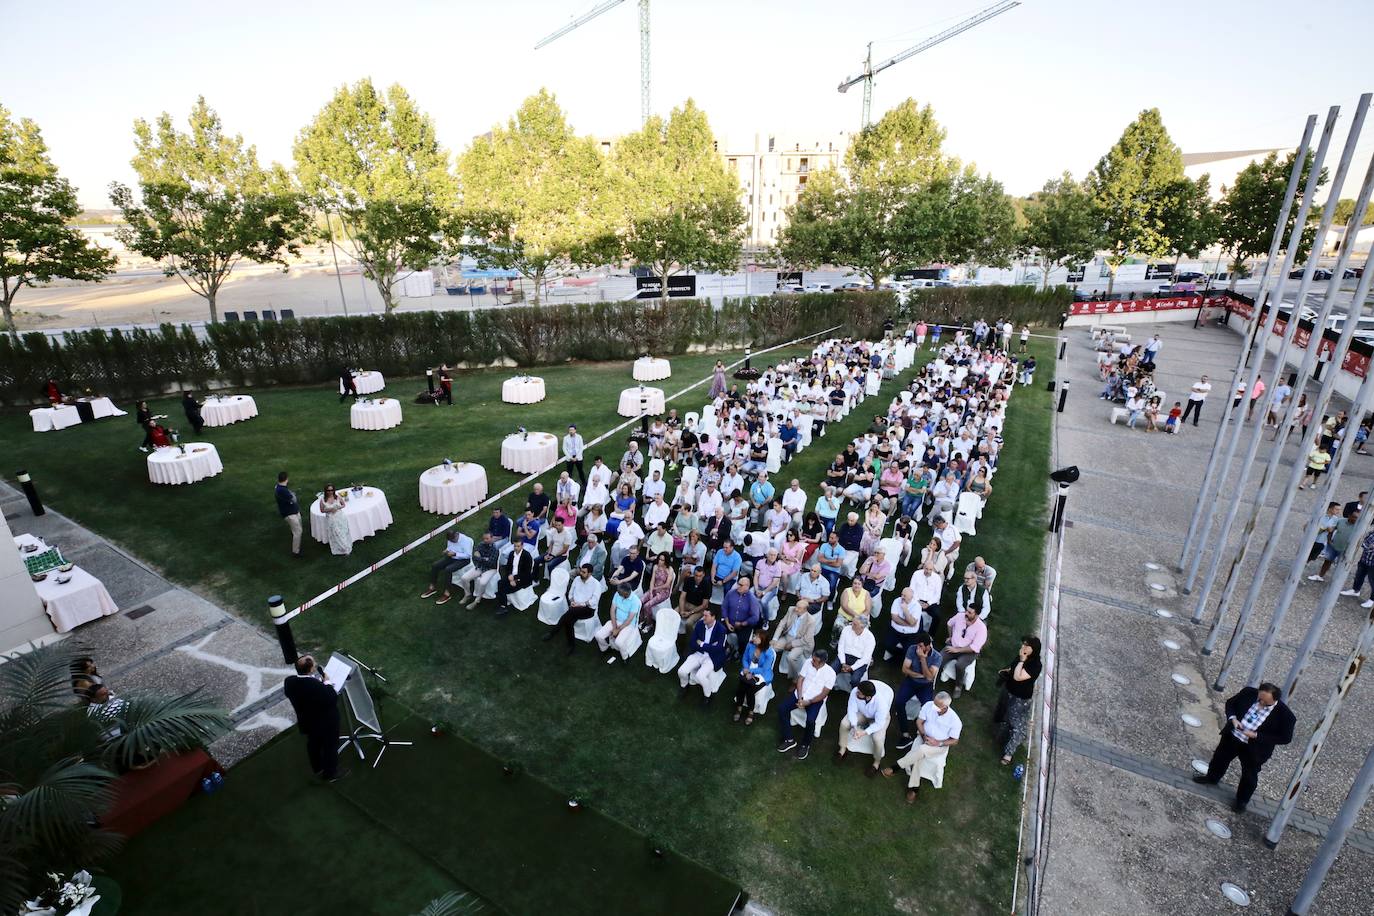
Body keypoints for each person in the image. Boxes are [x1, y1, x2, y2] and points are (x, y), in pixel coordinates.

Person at [1193, 682, 1296, 813]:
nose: (1261, 704)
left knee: (1249, 775)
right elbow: (1230, 703)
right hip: (1233, 737)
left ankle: (1242, 801)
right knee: (1220, 758)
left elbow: (1285, 738)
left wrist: (1256, 735)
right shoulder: (1248, 692)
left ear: (1275, 700)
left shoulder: (1286, 715)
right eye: (1260, 699)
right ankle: (1212, 778)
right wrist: (1233, 719)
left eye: (1266, 702)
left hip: (1254, 748)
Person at [889, 692, 962, 803]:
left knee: (921, 750)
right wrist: (924, 736)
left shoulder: (955, 721)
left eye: (937, 705)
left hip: (939, 746)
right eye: (934, 702)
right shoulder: (929, 705)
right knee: (920, 754)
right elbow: (919, 721)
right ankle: (914, 789)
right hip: (924, 737)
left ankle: (896, 767)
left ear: (945, 707)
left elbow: (955, 741)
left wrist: (938, 743)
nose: (934, 706)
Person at [283, 656, 345, 782]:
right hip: (325, 723)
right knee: (330, 747)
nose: (316, 664)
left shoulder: (289, 681)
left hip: (307, 722)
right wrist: (326, 683)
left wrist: (318, 684)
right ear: (311, 669)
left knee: (313, 745)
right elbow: (332, 698)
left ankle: (318, 768)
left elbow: (305, 693)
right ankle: (331, 773)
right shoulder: (316, 687)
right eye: (314, 663)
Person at [776, 648, 835, 760]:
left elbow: (824, 694)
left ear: (822, 662)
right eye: (812, 659)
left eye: (814, 661)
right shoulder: (808, 662)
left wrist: (809, 702)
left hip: (815, 700)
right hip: (800, 694)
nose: (811, 661)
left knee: (810, 720)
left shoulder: (830, 674)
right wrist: (799, 697)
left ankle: (805, 745)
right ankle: (789, 739)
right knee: (782, 709)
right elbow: (800, 680)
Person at [997, 636, 1042, 764]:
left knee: (1017, 726)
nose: (1023, 647)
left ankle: (1008, 754)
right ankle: (1002, 738)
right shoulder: (1021, 655)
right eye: (1023, 644)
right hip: (1009, 692)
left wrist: (1022, 660)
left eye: (1027, 646)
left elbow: (1018, 677)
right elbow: (1013, 669)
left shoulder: (1035, 665)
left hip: (1021, 699)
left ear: (1033, 649)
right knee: (1005, 717)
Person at [893, 633, 942, 749]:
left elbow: (929, 678)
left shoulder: (937, 657)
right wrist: (920, 675)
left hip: (926, 686)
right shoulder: (912, 649)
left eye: (921, 646)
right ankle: (905, 734)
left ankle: (923, 734)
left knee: (929, 708)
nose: (918, 648)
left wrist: (922, 659)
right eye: (917, 645)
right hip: (910, 682)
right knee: (899, 702)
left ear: (928, 646)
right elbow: (905, 669)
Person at [544, 564, 604, 653]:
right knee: (569, 621)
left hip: (588, 609)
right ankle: (571, 645)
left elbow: (593, 601)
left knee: (570, 614)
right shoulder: (577, 579)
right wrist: (572, 601)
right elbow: (570, 593)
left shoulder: (596, 584)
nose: (581, 573)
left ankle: (553, 632)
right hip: (574, 607)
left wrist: (580, 604)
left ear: (590, 574)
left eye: (584, 572)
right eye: (581, 571)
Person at [836, 679, 888, 775]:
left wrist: (864, 732)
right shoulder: (856, 691)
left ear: (868, 697)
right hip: (863, 713)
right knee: (844, 723)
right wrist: (855, 727)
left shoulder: (881, 704)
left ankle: (876, 762)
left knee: (878, 738)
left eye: (859, 693)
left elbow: (879, 724)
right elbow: (851, 710)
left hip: (878, 720)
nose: (856, 692)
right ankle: (842, 748)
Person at [679, 607, 728, 698]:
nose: (703, 617)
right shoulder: (700, 624)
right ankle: (684, 686)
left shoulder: (721, 630)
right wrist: (710, 646)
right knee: (681, 671)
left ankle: (707, 696)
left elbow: (718, 649)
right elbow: (692, 642)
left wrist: (702, 644)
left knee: (700, 676)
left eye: (706, 616)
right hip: (698, 653)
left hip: (711, 657)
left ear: (713, 617)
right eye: (703, 615)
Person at [942, 604, 987, 697]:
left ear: (977, 615)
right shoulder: (960, 616)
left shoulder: (981, 628)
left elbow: (974, 647)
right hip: (954, 645)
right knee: (939, 658)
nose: (966, 613)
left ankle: (958, 686)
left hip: (968, 652)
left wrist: (957, 650)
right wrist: (950, 637)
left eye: (970, 612)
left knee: (960, 665)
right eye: (967, 610)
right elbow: (949, 623)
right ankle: (930, 679)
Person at [732, 629, 776, 724]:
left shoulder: (769, 653)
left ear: (763, 640)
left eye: (756, 637)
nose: (754, 638)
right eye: (754, 635)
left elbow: (764, 669)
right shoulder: (750, 645)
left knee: (750, 689)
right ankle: (739, 707)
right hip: (748, 669)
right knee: (741, 686)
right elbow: (745, 659)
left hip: (762, 674)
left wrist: (750, 671)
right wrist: (746, 669)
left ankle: (750, 712)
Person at [421, 529, 473, 604]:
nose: (451, 542)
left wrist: (455, 554)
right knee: (435, 565)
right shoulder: (450, 539)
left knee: (448, 569)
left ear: (456, 535)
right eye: (450, 541)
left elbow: (468, 555)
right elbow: (450, 547)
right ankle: (432, 587)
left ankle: (447, 593)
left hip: (463, 560)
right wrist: (447, 550)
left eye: (453, 540)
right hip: (451, 557)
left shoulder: (466, 540)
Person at [595, 583, 641, 664]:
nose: (617, 593)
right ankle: (605, 648)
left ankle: (625, 657)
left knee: (619, 642)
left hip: (628, 625)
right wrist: (614, 626)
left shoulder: (635, 601)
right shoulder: (618, 594)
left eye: (619, 593)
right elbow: (612, 610)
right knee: (598, 635)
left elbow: (629, 619)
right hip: (616, 620)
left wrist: (618, 630)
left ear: (625, 594)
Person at [770, 599, 817, 674]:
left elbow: (806, 639)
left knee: (791, 657)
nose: (796, 609)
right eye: (796, 606)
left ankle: (795, 675)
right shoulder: (791, 609)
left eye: (799, 608)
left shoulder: (811, 621)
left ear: (805, 609)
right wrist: (774, 639)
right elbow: (782, 624)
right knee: (771, 648)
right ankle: (768, 667)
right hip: (787, 637)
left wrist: (792, 644)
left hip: (801, 642)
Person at [456, 532, 501, 606]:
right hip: (480, 567)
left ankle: (477, 600)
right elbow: (474, 556)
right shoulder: (481, 544)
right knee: (464, 578)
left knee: (482, 582)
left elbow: (491, 563)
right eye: (484, 538)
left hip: (490, 569)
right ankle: (467, 594)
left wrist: (480, 558)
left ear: (492, 538)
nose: (485, 540)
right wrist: (484, 559)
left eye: (487, 538)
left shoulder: (495, 549)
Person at [722, 577, 763, 657]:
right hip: (729, 621)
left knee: (743, 640)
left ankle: (739, 652)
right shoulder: (730, 593)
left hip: (744, 625)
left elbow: (755, 617)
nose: (738, 586)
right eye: (738, 584)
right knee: (719, 630)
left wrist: (742, 623)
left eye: (741, 585)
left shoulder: (752, 599)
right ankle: (727, 646)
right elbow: (724, 607)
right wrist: (727, 623)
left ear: (747, 586)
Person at [833, 616, 875, 687]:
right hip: (844, 656)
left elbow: (866, 658)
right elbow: (841, 647)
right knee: (831, 671)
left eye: (855, 624)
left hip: (860, 661)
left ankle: (854, 693)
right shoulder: (846, 629)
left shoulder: (870, 638)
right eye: (852, 622)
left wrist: (852, 668)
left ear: (862, 627)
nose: (851, 625)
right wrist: (843, 663)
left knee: (855, 680)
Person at [495, 543, 535, 616]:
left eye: (518, 546)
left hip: (522, 579)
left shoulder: (527, 556)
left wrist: (515, 579)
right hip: (511, 576)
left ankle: (503, 607)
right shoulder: (511, 554)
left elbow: (527, 573)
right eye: (515, 546)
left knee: (504, 589)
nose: (516, 548)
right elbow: (508, 567)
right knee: (500, 583)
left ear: (522, 546)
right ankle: (502, 599)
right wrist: (510, 575)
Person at [276, 471, 303, 558]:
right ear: (286, 479)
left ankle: (297, 544)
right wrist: (293, 495)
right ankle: (295, 552)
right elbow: (294, 499)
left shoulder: (278, 487)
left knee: (298, 528)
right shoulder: (283, 490)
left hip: (292, 511)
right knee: (298, 532)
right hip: (290, 513)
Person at [677, 566, 712, 630]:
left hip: (698, 608)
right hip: (686, 604)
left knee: (688, 623)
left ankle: (689, 638)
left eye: (700, 576)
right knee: (673, 614)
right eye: (696, 575)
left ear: (703, 575)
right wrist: (682, 610)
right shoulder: (689, 580)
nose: (698, 578)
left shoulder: (707, 585)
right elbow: (682, 596)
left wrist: (690, 612)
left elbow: (704, 605)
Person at [320, 485, 351, 556]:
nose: (330, 492)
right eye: (328, 490)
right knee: (335, 533)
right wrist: (330, 509)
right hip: (331, 519)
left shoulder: (337, 497)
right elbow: (322, 510)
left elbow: (343, 505)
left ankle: (345, 547)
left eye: (331, 490)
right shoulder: (323, 500)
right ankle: (340, 548)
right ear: (326, 491)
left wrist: (337, 508)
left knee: (342, 532)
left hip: (340, 517)